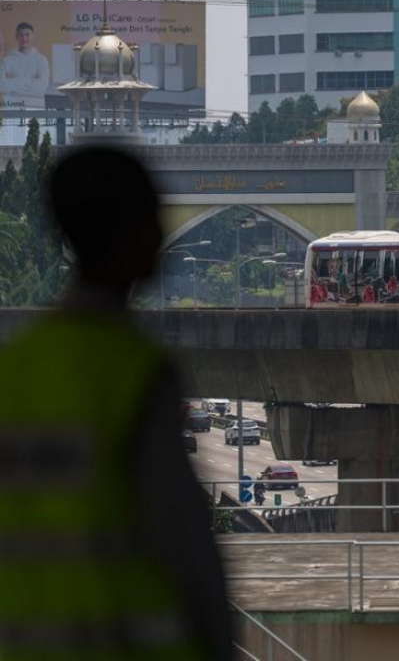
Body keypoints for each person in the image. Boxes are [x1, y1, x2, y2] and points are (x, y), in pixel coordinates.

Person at [0, 146, 232, 659]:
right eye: (152, 215)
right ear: (130, 230)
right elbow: (186, 543)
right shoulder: (134, 370)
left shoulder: (13, 369)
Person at [0, 22, 50, 110]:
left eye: (27, 35)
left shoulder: (41, 60)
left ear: (32, 37)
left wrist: (12, 83)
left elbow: (41, 88)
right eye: (20, 35)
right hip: (11, 110)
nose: (24, 38)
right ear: (16, 37)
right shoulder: (7, 60)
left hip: (35, 109)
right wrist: (28, 80)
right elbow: (1, 85)